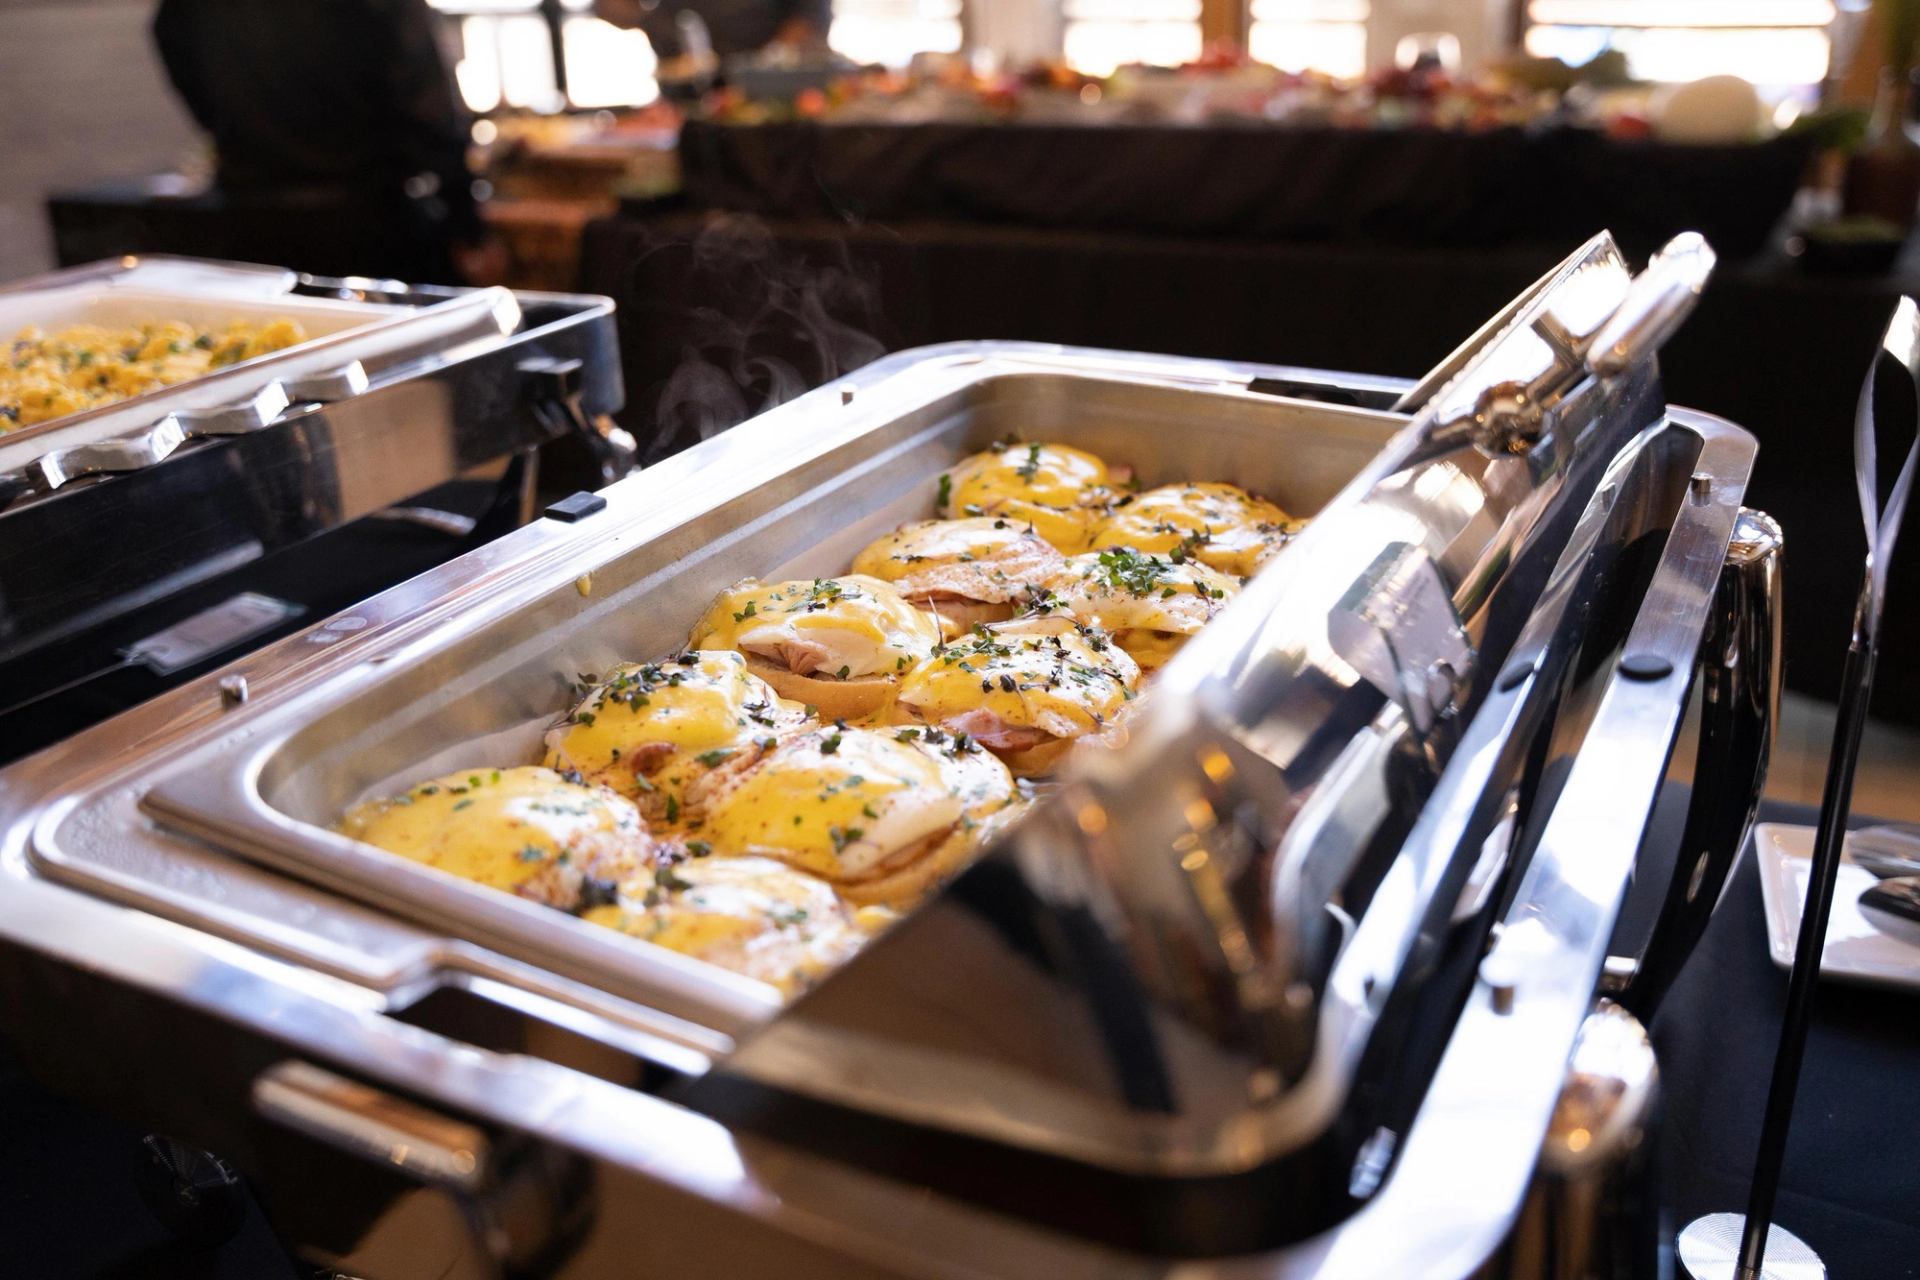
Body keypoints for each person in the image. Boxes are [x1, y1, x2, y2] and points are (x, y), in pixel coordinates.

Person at [152, 0, 505, 285]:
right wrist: (467, 225)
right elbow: (429, 110)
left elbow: (179, 57)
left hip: (249, 220)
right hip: (371, 225)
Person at [592, 0, 829, 62]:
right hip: (682, 103)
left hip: (769, 104)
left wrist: (768, 62)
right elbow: (610, 8)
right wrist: (643, 18)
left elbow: (810, 16)